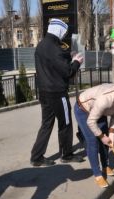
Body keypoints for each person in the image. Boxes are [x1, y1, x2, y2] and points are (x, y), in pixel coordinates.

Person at [30, 18, 84, 166]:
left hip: (44, 92)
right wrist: (77, 62)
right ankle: (66, 155)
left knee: (46, 124)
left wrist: (68, 55)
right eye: (63, 32)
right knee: (65, 123)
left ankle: (36, 157)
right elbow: (67, 71)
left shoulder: (41, 45)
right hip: (58, 93)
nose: (63, 35)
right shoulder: (55, 49)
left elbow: (53, 60)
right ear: (59, 31)